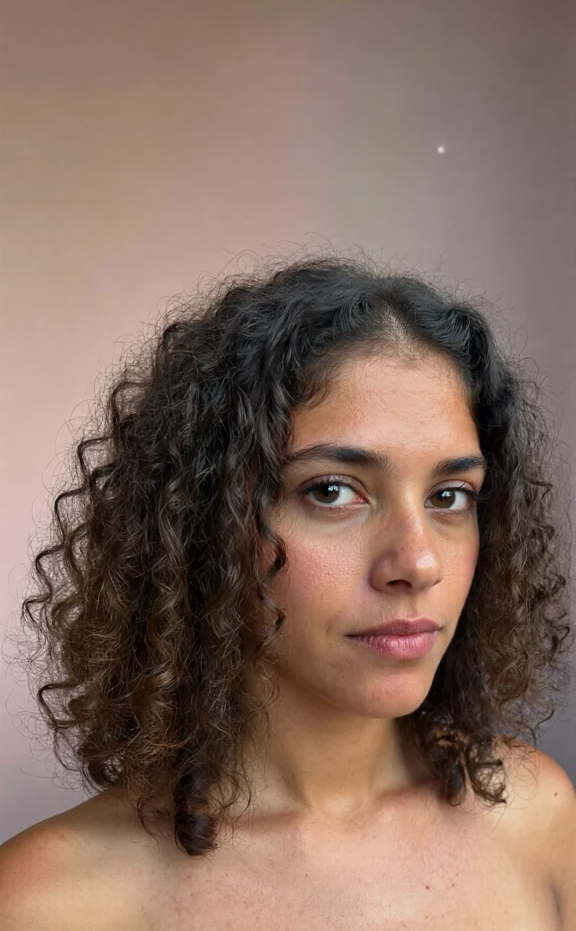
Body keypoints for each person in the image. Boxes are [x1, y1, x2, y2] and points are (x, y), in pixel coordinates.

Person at [0, 253, 574, 929]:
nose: (419, 563)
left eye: (449, 496)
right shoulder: (51, 903)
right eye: (332, 492)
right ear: (206, 522)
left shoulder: (535, 818)